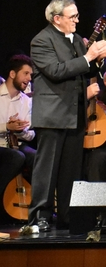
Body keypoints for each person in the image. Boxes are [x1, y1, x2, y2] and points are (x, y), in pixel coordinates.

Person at [27, 0, 106, 231]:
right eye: (72, 16)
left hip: (75, 113)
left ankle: (67, 214)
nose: (77, 20)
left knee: (71, 169)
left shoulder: (76, 39)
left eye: (77, 15)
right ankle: (40, 216)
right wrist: (89, 56)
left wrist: (98, 59)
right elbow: (56, 71)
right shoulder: (41, 40)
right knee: (47, 169)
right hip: (53, 114)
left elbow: (84, 70)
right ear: (57, 19)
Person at [1, 55, 36, 223]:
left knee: (37, 157)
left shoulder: (27, 101)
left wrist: (21, 131)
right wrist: (7, 127)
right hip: (1, 145)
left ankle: (36, 208)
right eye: (26, 74)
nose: (29, 79)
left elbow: (31, 134)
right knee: (16, 157)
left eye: (30, 75)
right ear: (12, 74)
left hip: (18, 143)